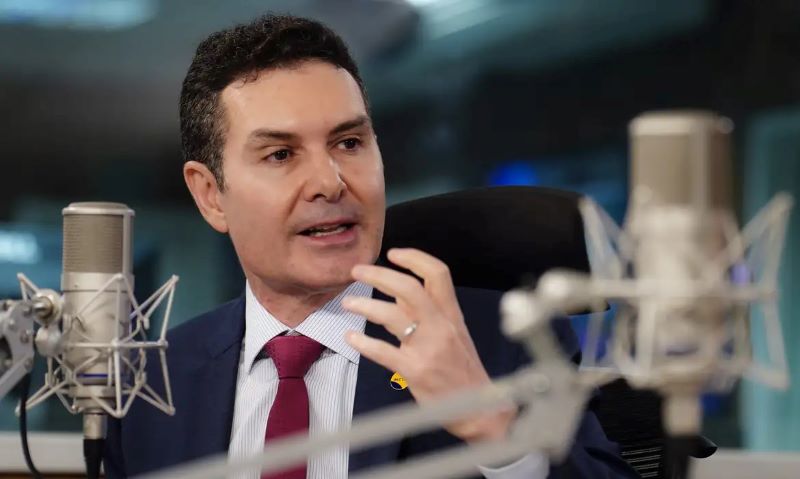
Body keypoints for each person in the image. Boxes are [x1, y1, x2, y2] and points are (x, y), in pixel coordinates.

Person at [104, 14, 637, 479]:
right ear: (210, 195)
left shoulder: (507, 343)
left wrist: (493, 426)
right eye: (281, 155)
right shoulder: (153, 385)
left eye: (349, 143)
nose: (330, 182)